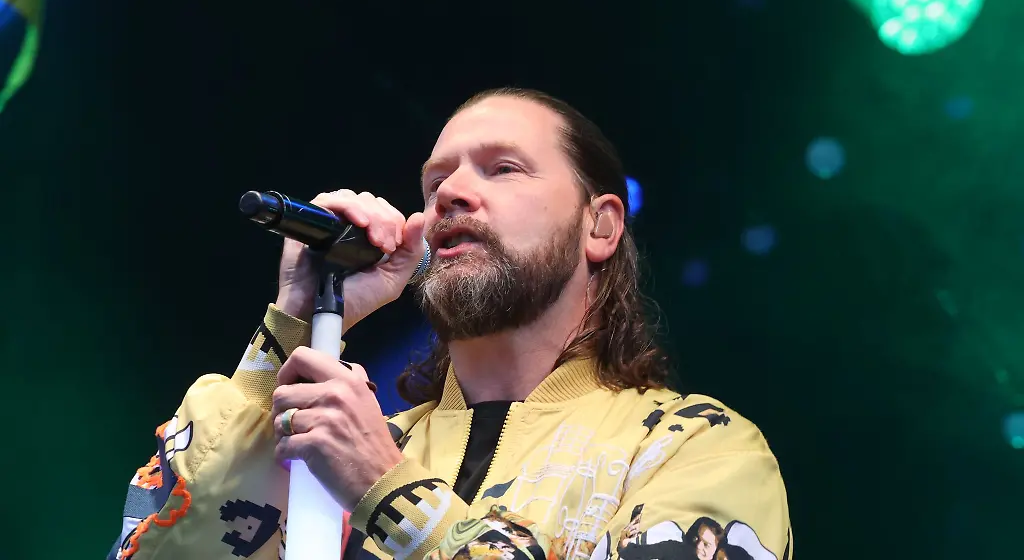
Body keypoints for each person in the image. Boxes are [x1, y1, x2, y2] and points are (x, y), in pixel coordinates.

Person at [107, 87, 793, 560]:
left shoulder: (694, 448)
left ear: (601, 226)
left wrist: (387, 490)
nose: (451, 195)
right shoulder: (337, 449)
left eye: (503, 169)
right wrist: (296, 320)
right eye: (435, 184)